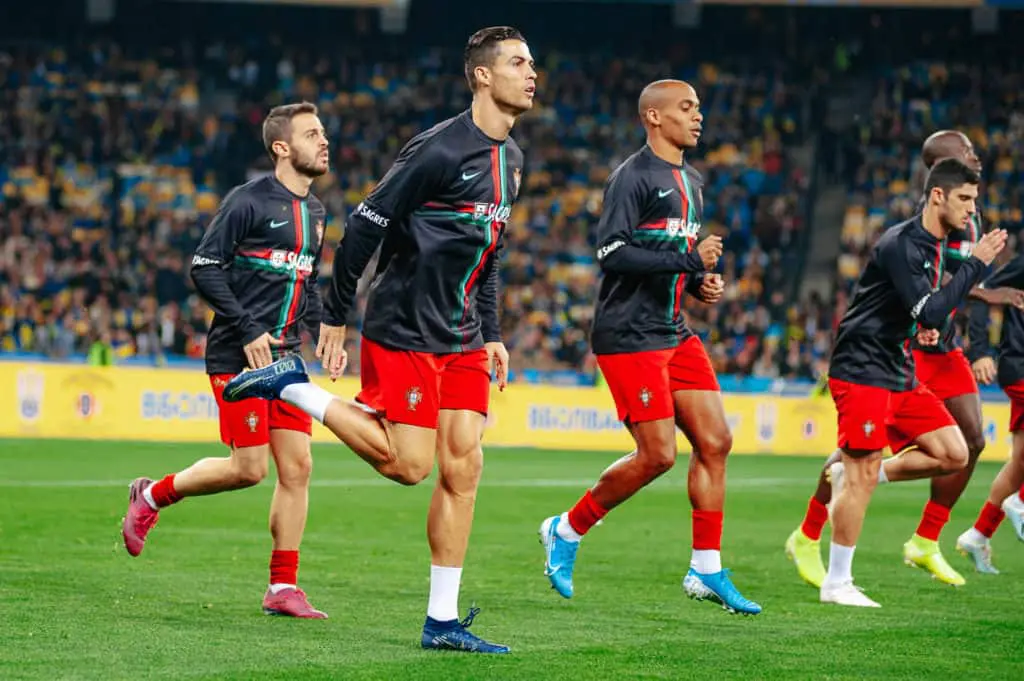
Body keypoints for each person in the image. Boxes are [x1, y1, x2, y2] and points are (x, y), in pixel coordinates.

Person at [221, 26, 536, 653]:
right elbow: (366, 224)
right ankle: (294, 387)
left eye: (532, 64)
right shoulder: (439, 150)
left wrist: (494, 333)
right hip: (408, 326)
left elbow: (490, 253)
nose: (532, 73)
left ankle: (441, 621)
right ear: (481, 75)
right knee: (410, 466)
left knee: (465, 462)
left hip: (465, 334)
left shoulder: (514, 161)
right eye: (518, 63)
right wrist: (336, 313)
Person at [537, 79, 761, 616]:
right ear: (654, 117)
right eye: (686, 108)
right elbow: (612, 253)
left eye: (699, 108)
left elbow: (673, 258)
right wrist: (690, 264)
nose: (698, 116)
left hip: (673, 329)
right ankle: (566, 529)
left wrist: (697, 287)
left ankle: (706, 569)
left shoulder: (694, 181)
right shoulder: (632, 177)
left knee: (716, 441)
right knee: (659, 454)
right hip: (627, 334)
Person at [786, 131, 1024, 588]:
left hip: (937, 342)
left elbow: (953, 288)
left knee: (968, 441)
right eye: (966, 153)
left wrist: (975, 344)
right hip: (898, 349)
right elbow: (933, 285)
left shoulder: (968, 218)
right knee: (856, 453)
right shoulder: (916, 231)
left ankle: (926, 539)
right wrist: (969, 292)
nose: (975, 157)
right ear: (939, 171)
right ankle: (811, 533)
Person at [121, 102, 330, 618]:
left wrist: (327, 330)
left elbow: (308, 281)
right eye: (311, 133)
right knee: (248, 469)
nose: (324, 141)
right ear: (282, 147)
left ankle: (283, 587)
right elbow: (205, 267)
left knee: (298, 468)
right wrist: (248, 326)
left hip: (287, 359)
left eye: (323, 132)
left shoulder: (318, 213)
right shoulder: (249, 201)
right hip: (238, 356)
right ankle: (152, 495)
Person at [957, 249, 1024, 572]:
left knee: (1020, 463)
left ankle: (979, 534)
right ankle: (1020, 501)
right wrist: (981, 350)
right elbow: (983, 293)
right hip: (1021, 365)